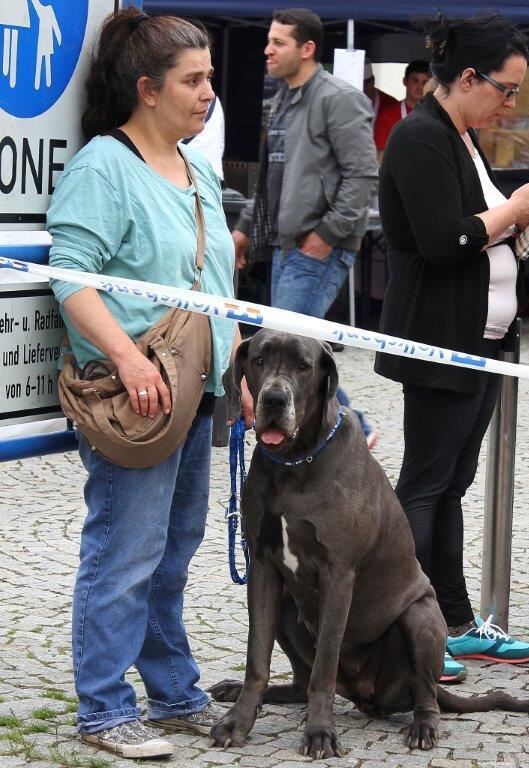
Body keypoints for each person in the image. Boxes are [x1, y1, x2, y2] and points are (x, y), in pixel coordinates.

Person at [47, 9, 252, 760]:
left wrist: (235, 374)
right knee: (123, 553)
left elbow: (213, 286)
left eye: (208, 78)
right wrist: (128, 361)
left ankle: (172, 692)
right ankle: (103, 710)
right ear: (146, 89)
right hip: (135, 397)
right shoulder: (103, 167)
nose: (207, 93)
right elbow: (72, 282)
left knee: (172, 549)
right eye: (192, 80)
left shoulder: (197, 165)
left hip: (193, 391)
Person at [375, 11, 529, 684]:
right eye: (504, 89)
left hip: (482, 341)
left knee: (449, 486)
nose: (508, 104)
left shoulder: (457, 136)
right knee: (423, 486)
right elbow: (447, 239)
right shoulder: (420, 136)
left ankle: (455, 624)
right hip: (442, 338)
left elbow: (480, 236)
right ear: (468, 77)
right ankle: (405, 628)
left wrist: (517, 223)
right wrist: (514, 210)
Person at [232, 8, 380, 448]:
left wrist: (328, 234)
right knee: (293, 347)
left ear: (307, 48)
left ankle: (354, 428)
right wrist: (243, 229)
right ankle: (353, 426)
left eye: (278, 42)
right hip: (283, 246)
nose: (267, 49)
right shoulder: (282, 98)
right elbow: (270, 178)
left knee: (290, 347)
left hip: (316, 246)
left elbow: (363, 175)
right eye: (268, 40)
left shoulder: (338, 97)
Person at [374, 59, 431, 159]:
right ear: (405, 81)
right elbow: (381, 158)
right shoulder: (387, 116)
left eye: (424, 82)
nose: (419, 87)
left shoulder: (436, 116)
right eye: (415, 81)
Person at [182, 93, 226, 180]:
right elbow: (221, 144)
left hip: (189, 178)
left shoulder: (182, 102)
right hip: (214, 176)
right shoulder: (216, 102)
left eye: (209, 79)